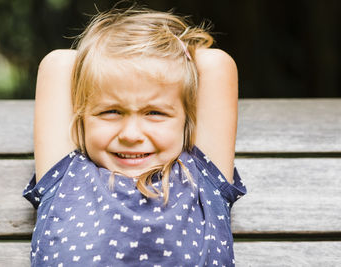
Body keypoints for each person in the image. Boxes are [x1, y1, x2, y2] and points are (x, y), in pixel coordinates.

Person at [23, 6, 246, 267]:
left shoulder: (203, 178)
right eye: (110, 111)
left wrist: (172, 51)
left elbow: (215, 63)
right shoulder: (65, 178)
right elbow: (59, 63)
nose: (131, 134)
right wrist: (102, 55)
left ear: (187, 122)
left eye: (154, 112)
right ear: (81, 118)